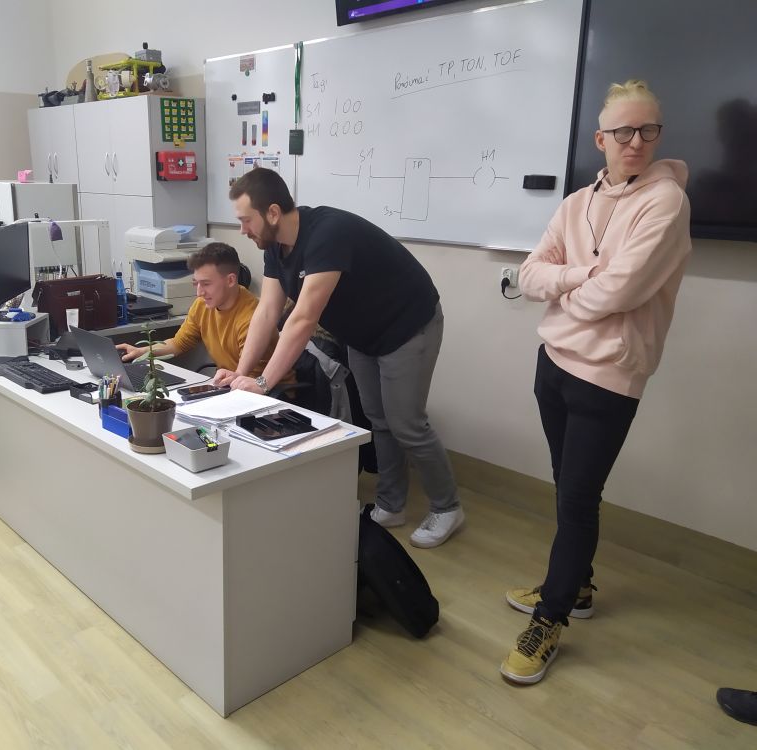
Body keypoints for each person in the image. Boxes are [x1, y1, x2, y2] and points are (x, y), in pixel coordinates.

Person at [500, 80, 692, 685]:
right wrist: (580, 277)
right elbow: (530, 274)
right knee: (567, 489)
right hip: (553, 364)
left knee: (578, 500)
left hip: (609, 376)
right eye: (623, 131)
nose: (636, 142)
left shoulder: (666, 201)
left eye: (648, 130)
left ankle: (551, 617)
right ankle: (577, 586)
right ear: (600, 138)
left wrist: (564, 290)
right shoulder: (576, 201)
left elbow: (621, 291)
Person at [214, 167, 464, 549]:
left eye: (246, 220)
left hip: (408, 327)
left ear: (273, 212)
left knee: (407, 424)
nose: (243, 229)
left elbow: (302, 319)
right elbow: (267, 312)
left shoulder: (327, 234)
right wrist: (240, 373)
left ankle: (447, 508)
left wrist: (263, 383)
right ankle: (391, 504)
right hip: (362, 335)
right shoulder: (275, 248)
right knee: (378, 420)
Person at [116, 242, 287, 383]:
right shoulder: (202, 305)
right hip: (233, 383)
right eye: (195, 283)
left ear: (230, 280)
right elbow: (178, 344)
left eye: (206, 284)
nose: (199, 292)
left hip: (269, 392)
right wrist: (141, 352)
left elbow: (251, 378)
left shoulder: (251, 317)